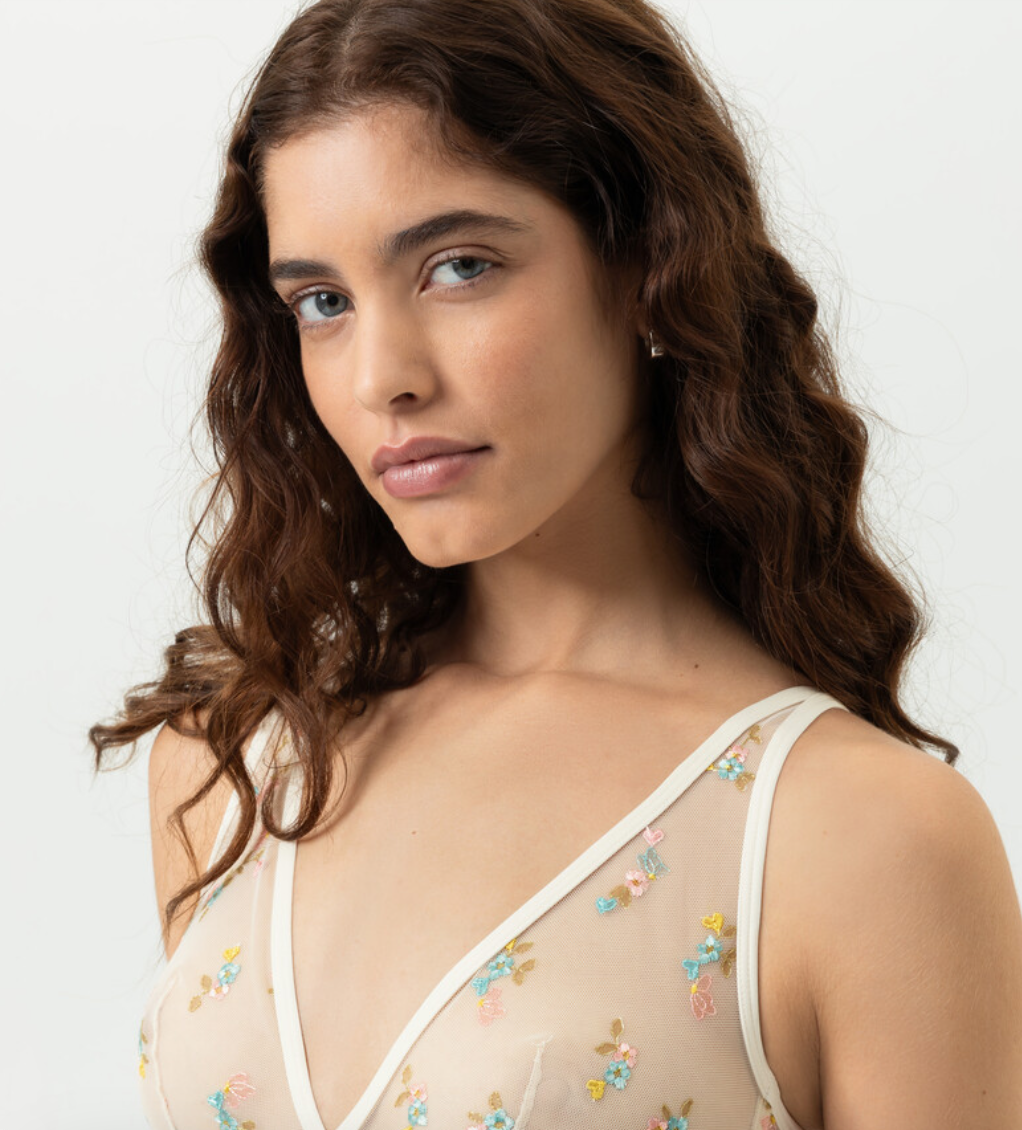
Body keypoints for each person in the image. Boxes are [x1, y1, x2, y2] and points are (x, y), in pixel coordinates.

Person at [89, 0, 1022, 1127]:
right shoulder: (236, 762)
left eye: (458, 266)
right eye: (323, 302)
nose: (381, 376)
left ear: (649, 267)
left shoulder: (863, 838)